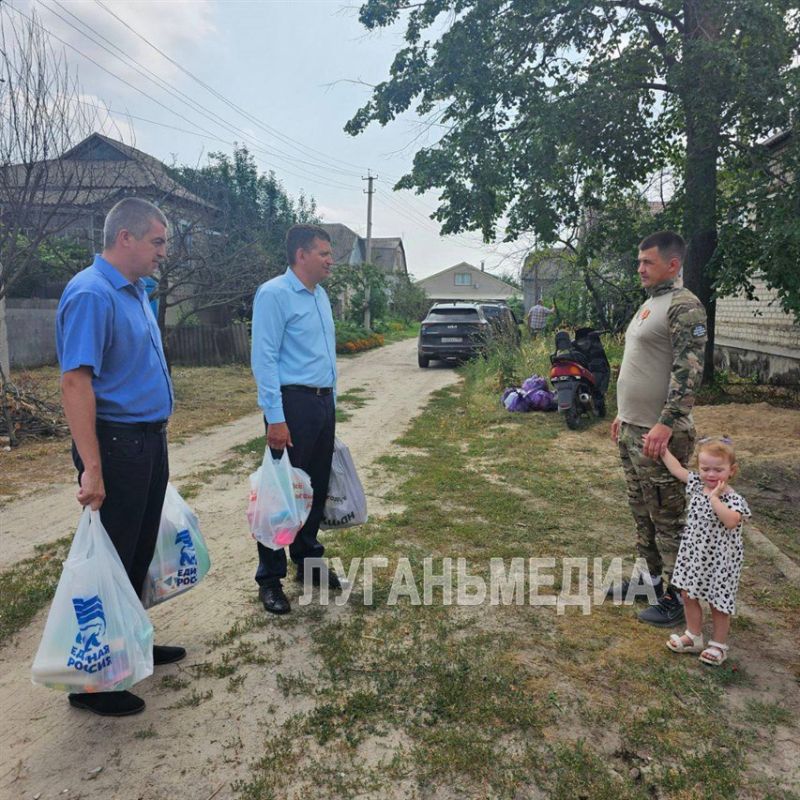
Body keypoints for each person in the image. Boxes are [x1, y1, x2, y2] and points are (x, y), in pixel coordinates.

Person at [56, 197, 185, 717]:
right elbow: (75, 381)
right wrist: (92, 465)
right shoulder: (91, 293)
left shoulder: (136, 292)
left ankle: (130, 642)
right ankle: (94, 684)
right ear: (125, 238)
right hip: (114, 444)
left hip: (147, 440)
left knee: (136, 552)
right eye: (157, 242)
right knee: (113, 555)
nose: (163, 253)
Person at [609, 231, 707, 627]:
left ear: (673, 264)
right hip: (634, 427)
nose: (640, 269)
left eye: (647, 262)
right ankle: (650, 580)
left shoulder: (686, 306)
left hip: (660, 434)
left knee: (669, 518)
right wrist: (622, 413)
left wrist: (665, 424)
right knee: (643, 512)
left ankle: (680, 597)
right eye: (639, 262)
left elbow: (689, 372)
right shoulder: (651, 304)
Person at [251, 224, 339, 615]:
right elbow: (264, 358)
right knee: (280, 493)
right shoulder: (274, 295)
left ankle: (307, 560)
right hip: (292, 404)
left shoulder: (320, 297)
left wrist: (331, 400)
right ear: (301, 255)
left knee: (314, 489)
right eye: (323, 253)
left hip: (322, 403)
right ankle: (269, 579)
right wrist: (275, 417)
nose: (330, 260)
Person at [661, 437, 750, 665]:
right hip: (693, 556)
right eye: (705, 468)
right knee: (687, 595)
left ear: (732, 470)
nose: (711, 474)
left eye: (718, 470)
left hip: (721, 562)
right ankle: (693, 636)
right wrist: (663, 451)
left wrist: (714, 499)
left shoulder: (733, 499)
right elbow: (677, 470)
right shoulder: (697, 485)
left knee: (718, 603)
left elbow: (731, 521)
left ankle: (719, 646)